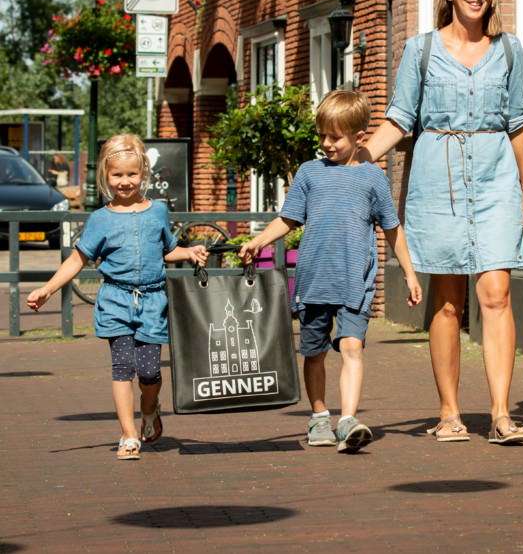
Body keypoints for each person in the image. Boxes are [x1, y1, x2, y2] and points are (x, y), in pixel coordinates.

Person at [360, 0, 523, 444]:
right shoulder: (419, 50)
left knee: (496, 292)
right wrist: (358, 157)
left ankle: (501, 414)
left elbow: (519, 120)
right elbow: (399, 118)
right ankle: (449, 412)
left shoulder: (509, 50)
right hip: (438, 179)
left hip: (496, 174)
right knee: (448, 301)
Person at [239, 90, 422, 453]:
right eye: (322, 135)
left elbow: (392, 228)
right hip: (314, 280)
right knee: (315, 352)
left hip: (356, 281)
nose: (326, 144)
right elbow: (288, 219)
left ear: (359, 138)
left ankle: (348, 419)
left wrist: (410, 273)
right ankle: (319, 415)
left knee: (352, 346)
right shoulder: (309, 173)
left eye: (335, 137)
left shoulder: (373, 178)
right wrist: (259, 241)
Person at [27, 134, 208, 460]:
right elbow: (76, 260)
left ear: (144, 174)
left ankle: (149, 410)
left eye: (131, 174)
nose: (125, 182)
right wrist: (48, 288)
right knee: (122, 366)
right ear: (106, 178)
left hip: (153, 302)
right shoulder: (99, 219)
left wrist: (189, 252)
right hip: (115, 300)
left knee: (150, 371)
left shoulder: (158, 213)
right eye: (117, 175)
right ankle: (127, 436)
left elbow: (166, 251)